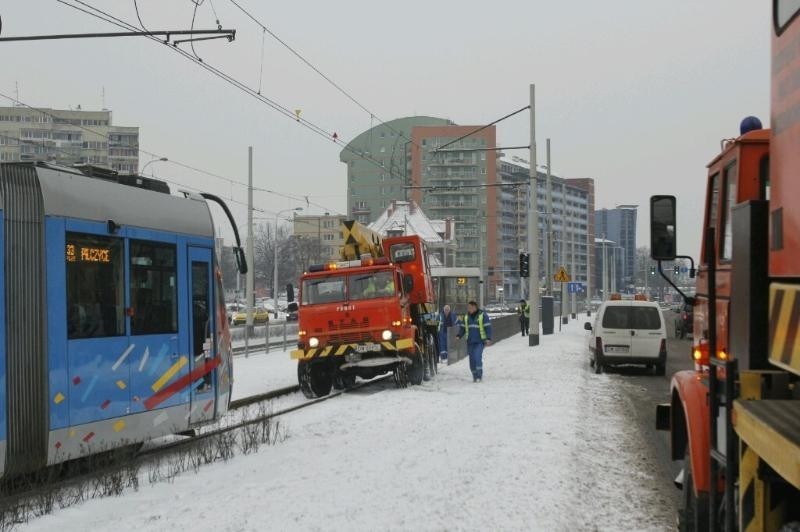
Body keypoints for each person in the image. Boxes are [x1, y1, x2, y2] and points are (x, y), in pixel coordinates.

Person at [457, 301, 492, 382]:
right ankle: (474, 376)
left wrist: (488, 338)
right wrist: (459, 335)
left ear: (474, 307)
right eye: (468, 307)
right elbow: (463, 328)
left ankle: (479, 376)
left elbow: (488, 327)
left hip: (480, 342)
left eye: (469, 307)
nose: (468, 309)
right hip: (470, 342)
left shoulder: (483, 315)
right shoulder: (466, 317)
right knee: (472, 360)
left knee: (477, 357)